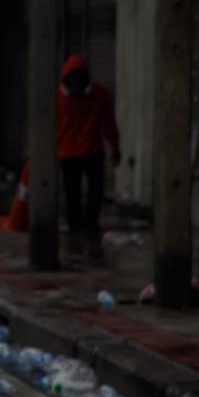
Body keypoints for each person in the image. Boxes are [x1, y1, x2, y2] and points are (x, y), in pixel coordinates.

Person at [57, 54, 120, 252]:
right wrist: (115, 148)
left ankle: (81, 226)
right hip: (80, 152)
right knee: (85, 192)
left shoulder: (97, 95)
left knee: (78, 192)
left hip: (78, 152)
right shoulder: (97, 94)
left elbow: (109, 123)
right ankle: (84, 225)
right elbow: (109, 124)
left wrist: (115, 146)